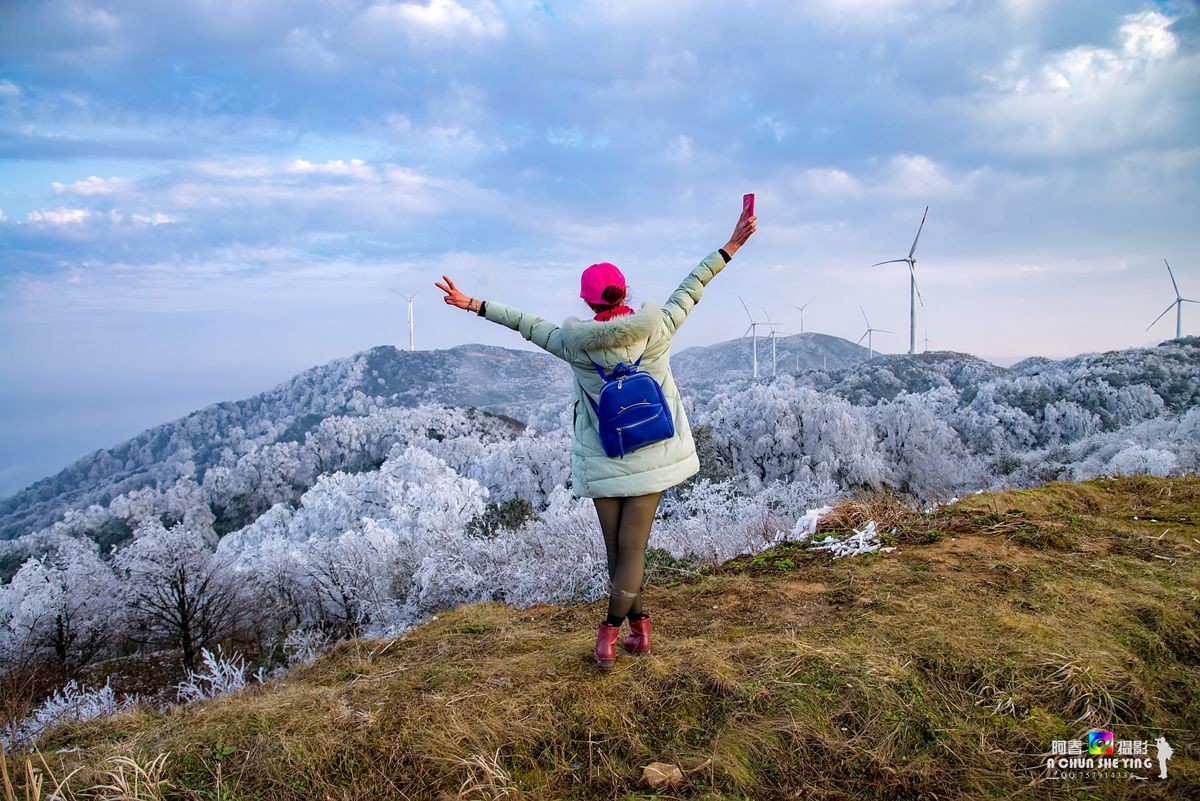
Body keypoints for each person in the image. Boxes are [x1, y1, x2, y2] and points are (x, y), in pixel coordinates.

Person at [435, 201, 757, 668]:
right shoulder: (659, 327)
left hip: (605, 455)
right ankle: (629, 634)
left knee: (618, 551)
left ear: (587, 303)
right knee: (633, 551)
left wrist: (474, 304)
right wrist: (730, 246)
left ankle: (619, 632)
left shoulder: (574, 344)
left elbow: (525, 323)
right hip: (653, 453)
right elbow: (692, 286)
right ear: (625, 291)